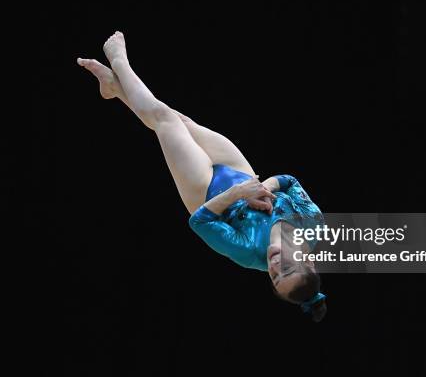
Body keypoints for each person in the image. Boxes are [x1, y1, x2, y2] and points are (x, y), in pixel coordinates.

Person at [78, 31, 327, 322]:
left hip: (205, 191)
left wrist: (240, 195)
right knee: (179, 119)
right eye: (287, 270)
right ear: (307, 260)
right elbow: (290, 181)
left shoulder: (250, 253)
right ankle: (114, 89)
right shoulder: (313, 223)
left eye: (274, 278)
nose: (274, 268)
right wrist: (264, 187)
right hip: (242, 173)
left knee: (165, 120)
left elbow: (200, 222)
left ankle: (120, 62)